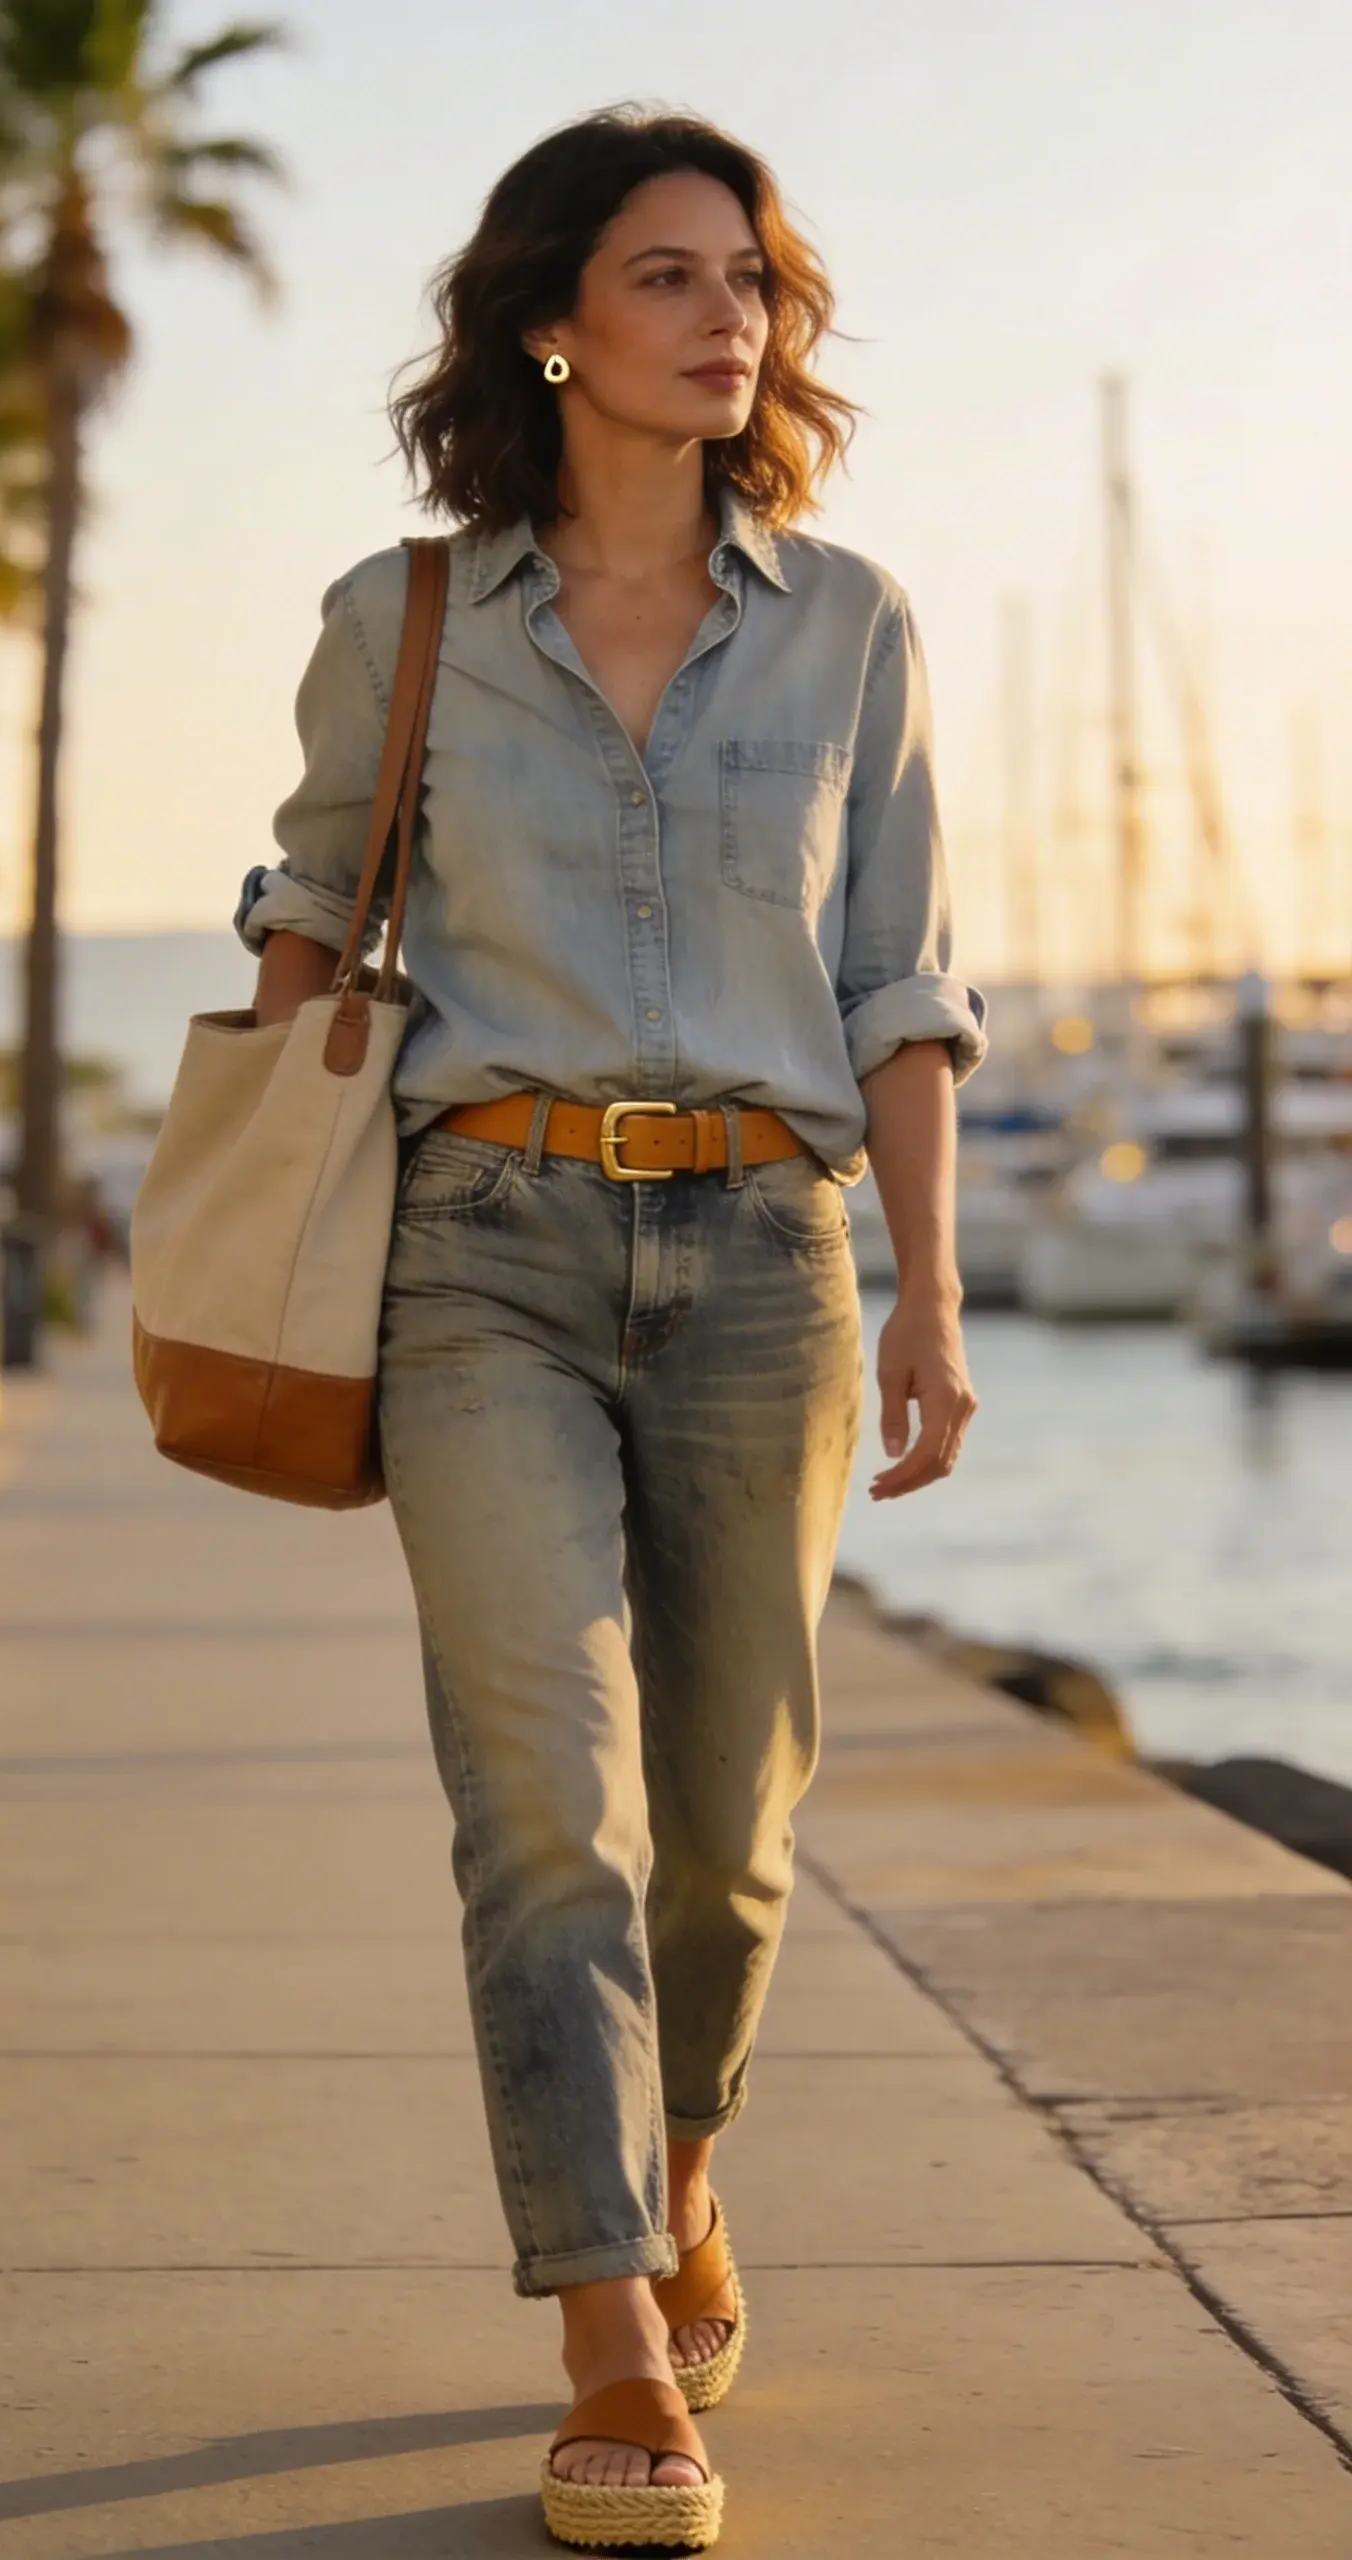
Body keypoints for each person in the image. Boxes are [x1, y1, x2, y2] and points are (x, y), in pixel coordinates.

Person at [237, 104, 987, 2555]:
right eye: (671, 276)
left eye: (751, 281)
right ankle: (610, 2326)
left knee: (737, 1822)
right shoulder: (409, 613)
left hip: (774, 1259)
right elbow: (309, 897)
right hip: (487, 1252)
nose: (727, 319)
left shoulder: (853, 618)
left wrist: (935, 1288)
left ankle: (678, 2172)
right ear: (558, 315)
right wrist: (262, 1172)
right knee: (548, 1796)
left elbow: (899, 981)